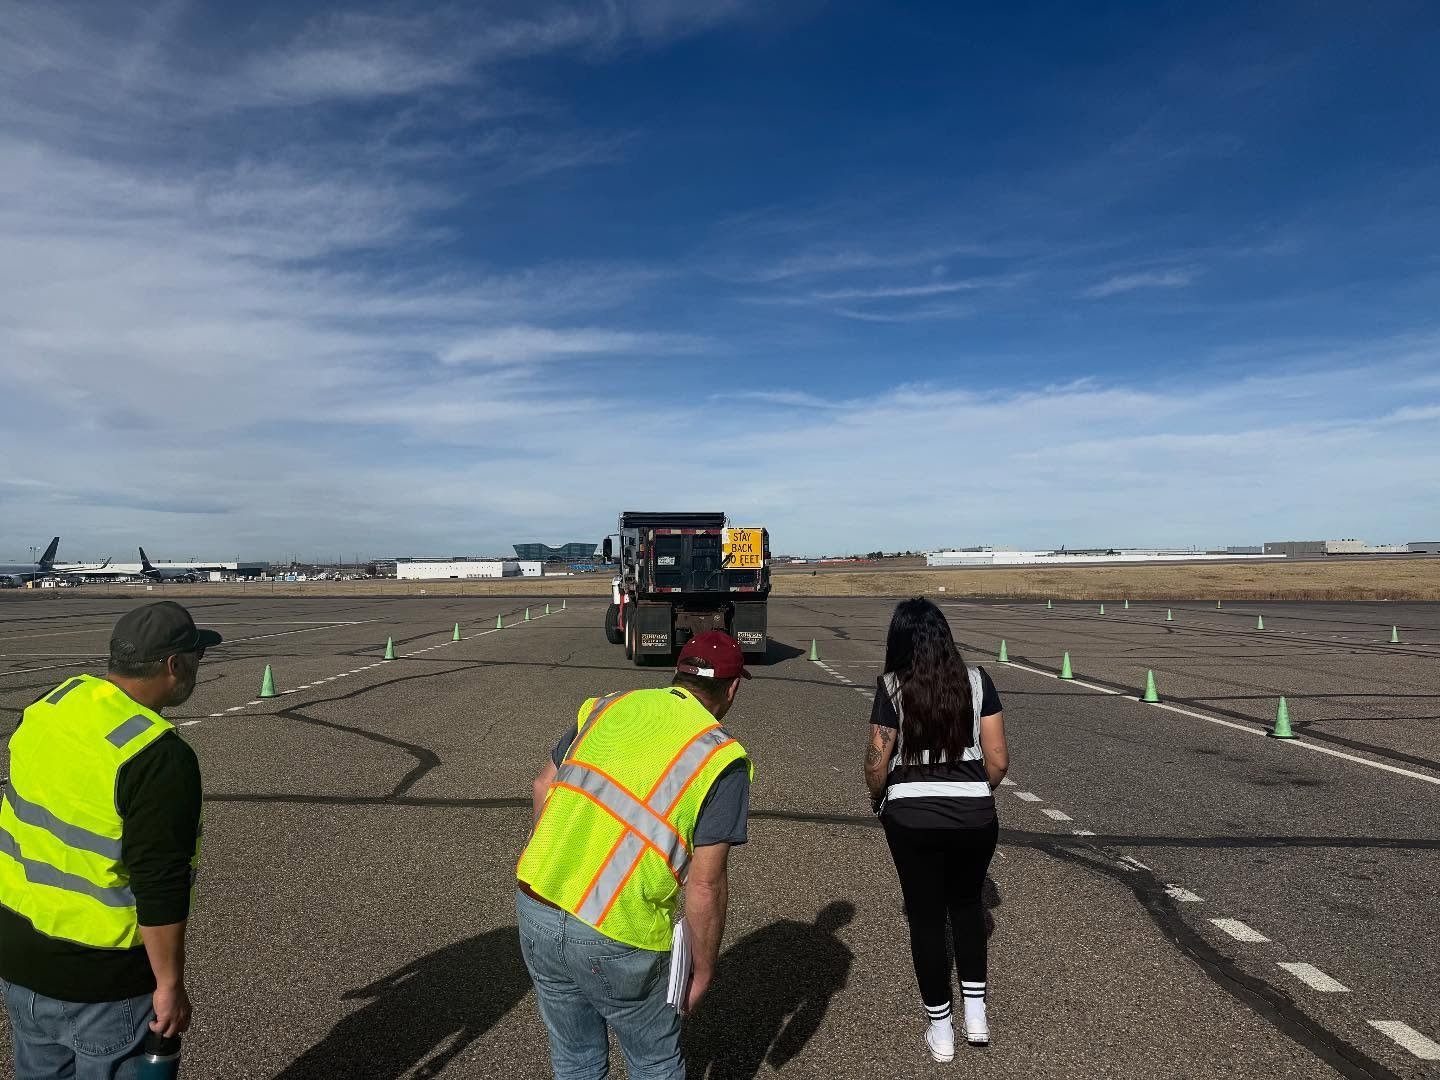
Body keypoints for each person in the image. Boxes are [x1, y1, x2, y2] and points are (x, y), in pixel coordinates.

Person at [516, 630, 753, 1080]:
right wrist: (702, 969)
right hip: (619, 930)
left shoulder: (608, 706)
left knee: (575, 1058)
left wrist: (560, 862)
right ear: (733, 688)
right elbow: (705, 884)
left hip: (537, 903)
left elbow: (542, 785)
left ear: (678, 673)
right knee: (654, 1062)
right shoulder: (721, 756)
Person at [0, 601, 216, 1079]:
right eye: (199, 657)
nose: (199, 669)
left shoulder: (52, 706)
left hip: (19, 959)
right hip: (102, 982)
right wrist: (169, 984)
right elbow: (159, 883)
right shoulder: (158, 756)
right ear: (173, 665)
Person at [862, 598, 1009, 1063]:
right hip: (974, 816)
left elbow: (876, 762)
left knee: (925, 918)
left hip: (911, 818)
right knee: (967, 908)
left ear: (898, 640)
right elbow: (999, 759)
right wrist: (976, 793)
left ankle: (941, 1030)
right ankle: (977, 1018)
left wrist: (880, 799)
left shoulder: (891, 687)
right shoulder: (977, 681)